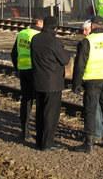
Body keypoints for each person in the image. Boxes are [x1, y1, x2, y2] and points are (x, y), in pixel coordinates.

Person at [72, 15, 103, 153]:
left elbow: (79, 65)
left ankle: (89, 143)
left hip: (92, 81)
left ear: (92, 26)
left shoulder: (87, 41)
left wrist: (76, 84)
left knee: (90, 111)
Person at [30, 15, 71, 150]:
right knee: (51, 114)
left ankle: (39, 141)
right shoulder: (54, 41)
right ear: (55, 28)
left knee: (40, 112)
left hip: (38, 80)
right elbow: (65, 59)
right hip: (53, 83)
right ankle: (47, 144)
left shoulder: (35, 39)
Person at [10, 17, 43, 142]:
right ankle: (39, 131)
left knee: (26, 101)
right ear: (39, 22)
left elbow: (14, 54)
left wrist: (18, 68)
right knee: (39, 101)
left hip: (23, 71)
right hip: (36, 72)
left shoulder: (22, 33)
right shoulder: (39, 35)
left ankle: (25, 131)